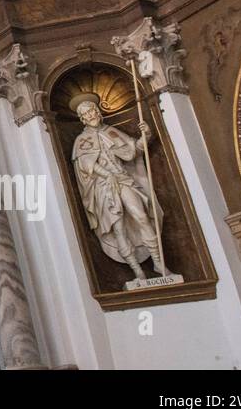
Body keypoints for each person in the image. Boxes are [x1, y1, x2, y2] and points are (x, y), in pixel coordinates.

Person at [69, 93, 171, 282]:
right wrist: (107, 174)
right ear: (82, 119)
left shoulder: (112, 132)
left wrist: (145, 135)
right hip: (103, 187)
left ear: (98, 112)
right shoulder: (81, 141)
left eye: (92, 111)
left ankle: (158, 264)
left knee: (141, 216)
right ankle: (137, 271)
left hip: (123, 181)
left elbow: (133, 151)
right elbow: (86, 164)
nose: (91, 115)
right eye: (86, 114)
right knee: (119, 228)